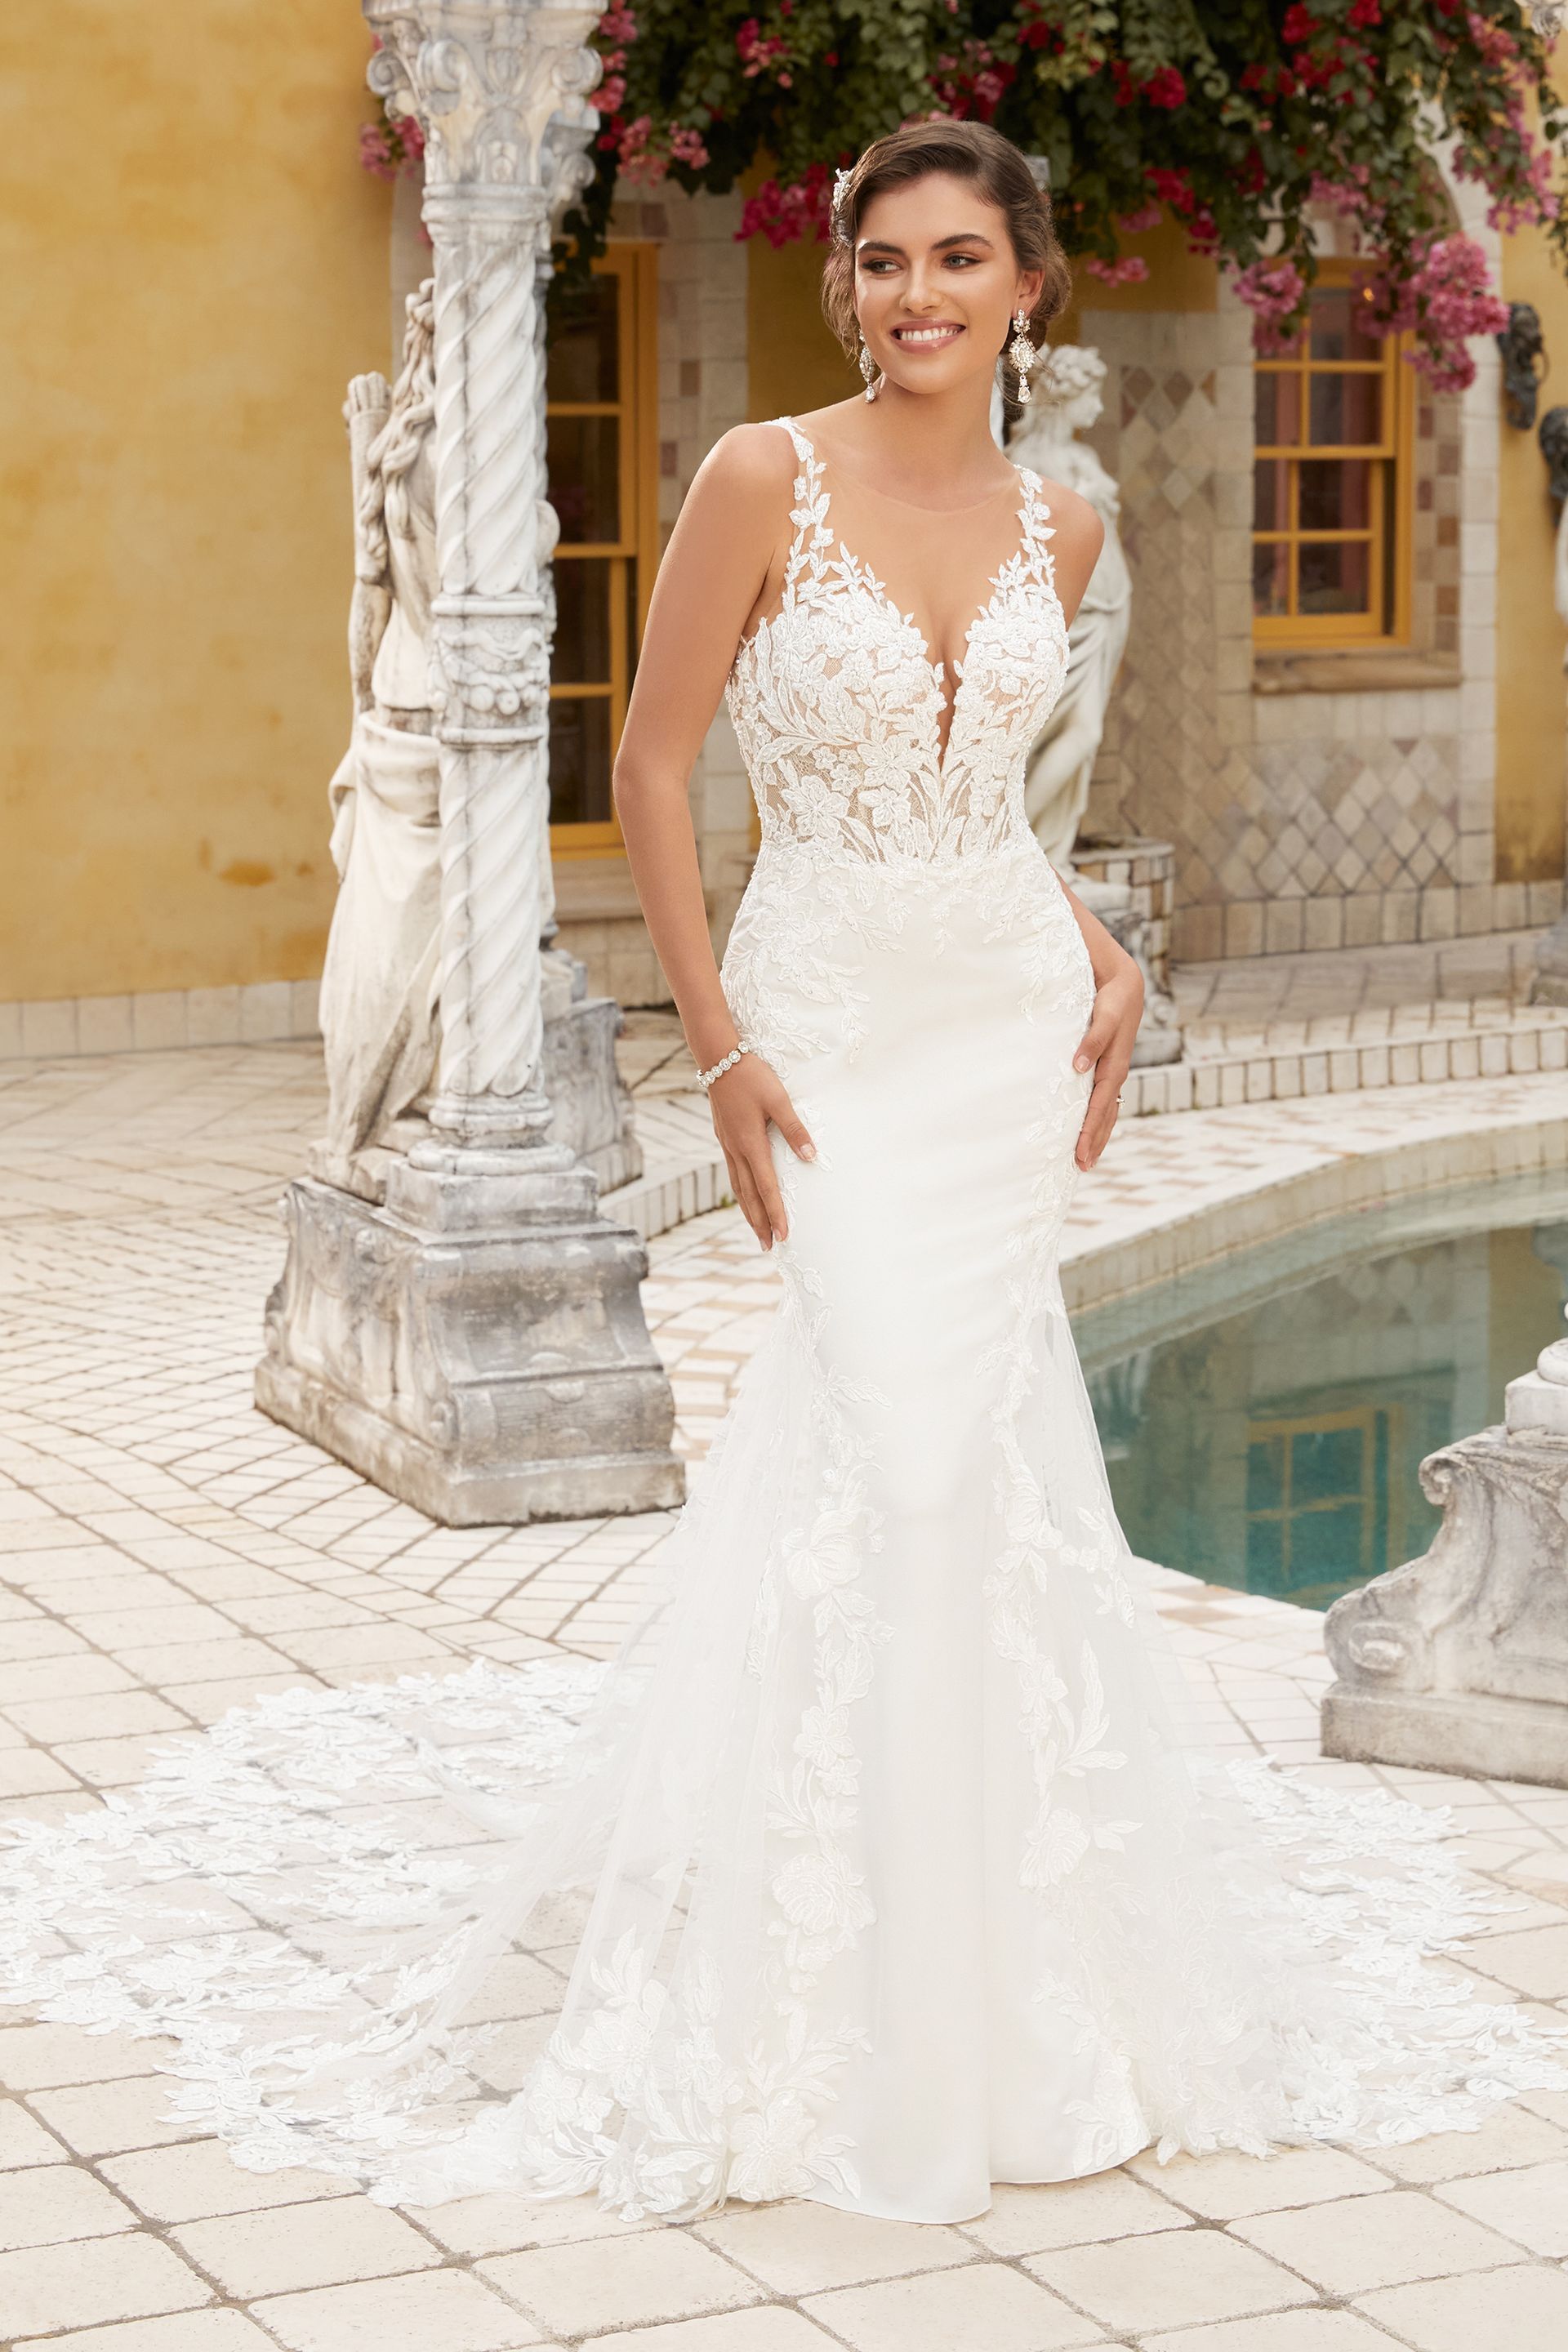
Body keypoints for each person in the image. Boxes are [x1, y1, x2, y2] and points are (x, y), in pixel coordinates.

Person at [2, 118, 1563, 2230]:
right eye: (883, 262)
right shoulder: (765, 479)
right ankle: (826, 1987)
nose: (916, 296)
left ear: (1033, 282)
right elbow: (653, 763)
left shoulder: (1070, 533)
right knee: (891, 1463)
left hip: (999, 1035)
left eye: (956, 259)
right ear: (851, 287)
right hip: (823, 1035)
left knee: (972, 1471)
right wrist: (717, 1039)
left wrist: (1096, 952)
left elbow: (1003, 815)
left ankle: (995, 1983)